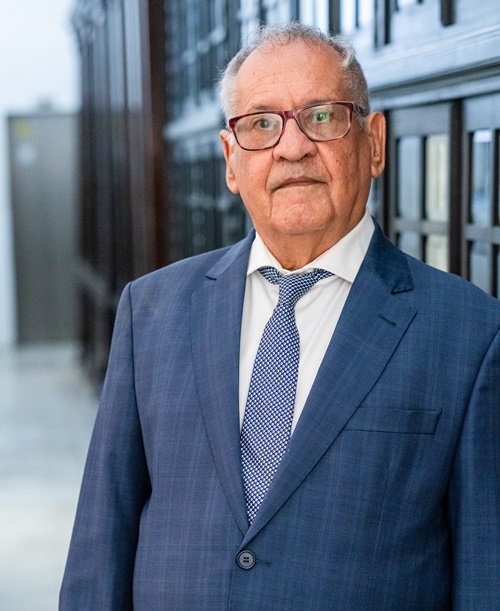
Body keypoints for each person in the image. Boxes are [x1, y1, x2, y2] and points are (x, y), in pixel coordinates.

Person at [60, 22, 500, 610]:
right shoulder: (152, 312)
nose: (293, 148)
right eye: (262, 124)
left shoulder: (471, 334)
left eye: (321, 116)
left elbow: (486, 577)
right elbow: (99, 550)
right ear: (230, 160)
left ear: (373, 143)